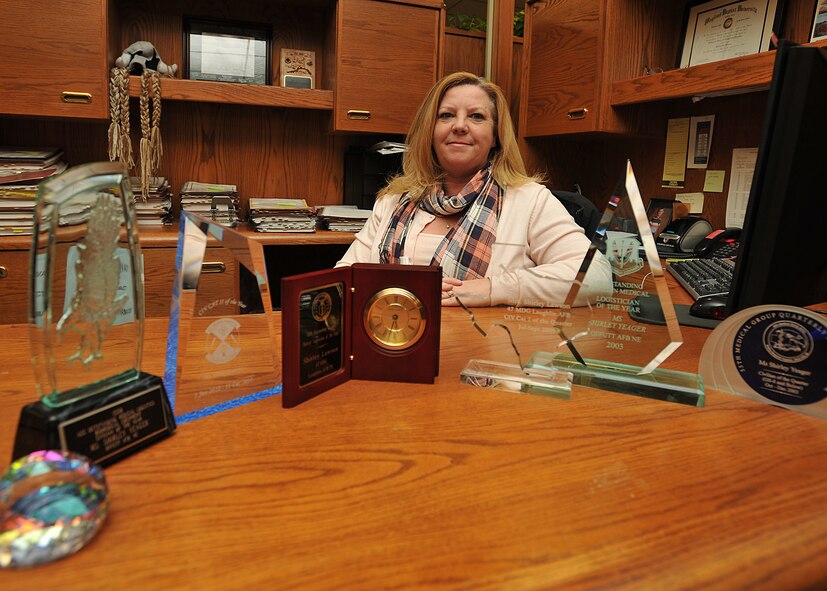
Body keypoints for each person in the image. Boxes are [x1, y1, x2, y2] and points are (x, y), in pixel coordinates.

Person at [336, 71, 612, 307]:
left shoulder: (529, 200)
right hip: (393, 340)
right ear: (430, 132)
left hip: (483, 350)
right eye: (446, 115)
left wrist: (493, 289)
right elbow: (343, 277)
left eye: (477, 117)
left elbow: (596, 276)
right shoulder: (394, 200)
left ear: (495, 136)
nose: (459, 126)